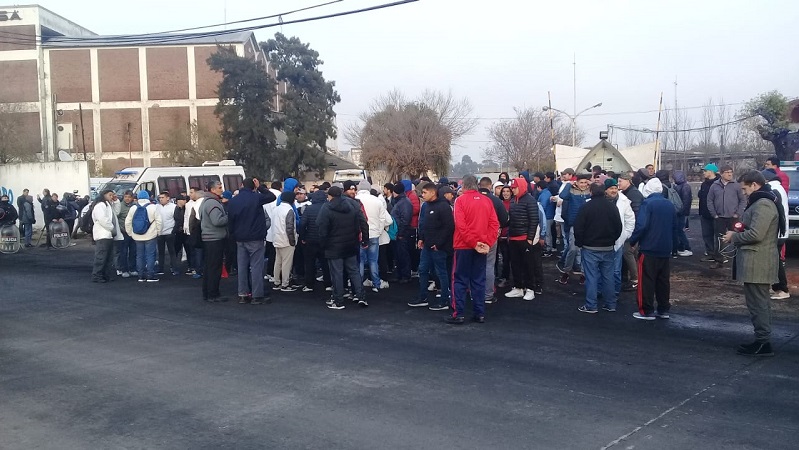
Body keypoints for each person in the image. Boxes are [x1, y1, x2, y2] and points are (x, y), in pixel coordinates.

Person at [722, 170, 781, 356]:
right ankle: (762, 340)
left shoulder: (763, 204)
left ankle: (763, 342)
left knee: (758, 304)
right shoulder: (763, 202)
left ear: (755, 185)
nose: (744, 193)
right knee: (758, 303)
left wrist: (734, 236)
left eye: (745, 189)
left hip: (758, 262)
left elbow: (756, 234)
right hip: (757, 261)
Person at [446, 175, 499, 324]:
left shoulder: (460, 201)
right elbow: (494, 224)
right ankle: (479, 313)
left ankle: (459, 313)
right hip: (481, 246)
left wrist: (474, 242)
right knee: (478, 280)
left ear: (464, 185)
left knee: (459, 279)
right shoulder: (486, 201)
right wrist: (486, 242)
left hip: (464, 246)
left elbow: (461, 226)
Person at [317, 186, 369, 310]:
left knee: (337, 273)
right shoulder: (353, 205)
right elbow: (363, 223)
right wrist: (364, 239)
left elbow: (321, 227)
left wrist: (323, 245)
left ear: (329, 196)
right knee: (354, 271)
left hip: (333, 246)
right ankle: (361, 296)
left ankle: (338, 300)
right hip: (350, 243)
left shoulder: (326, 208)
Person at [629, 178, 674, 320]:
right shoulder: (669, 204)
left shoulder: (647, 204)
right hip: (665, 247)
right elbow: (675, 226)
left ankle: (646, 310)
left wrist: (633, 240)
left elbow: (641, 225)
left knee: (646, 280)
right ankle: (663, 308)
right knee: (663, 280)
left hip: (649, 247)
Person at [573, 183, 622, 313]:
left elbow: (578, 227)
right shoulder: (612, 207)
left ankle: (591, 305)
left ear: (591, 192)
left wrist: (580, 242)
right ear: (604, 192)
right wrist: (613, 240)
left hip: (590, 247)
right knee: (608, 276)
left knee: (591, 277)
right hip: (608, 247)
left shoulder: (586, 207)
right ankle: (610, 304)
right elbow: (619, 227)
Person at [227, 178, 276, 304]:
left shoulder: (233, 201)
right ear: (253, 186)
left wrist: (233, 235)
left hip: (239, 238)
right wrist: (260, 187)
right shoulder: (256, 198)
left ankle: (243, 293)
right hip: (255, 237)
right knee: (256, 267)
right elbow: (271, 196)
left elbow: (230, 221)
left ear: (241, 185)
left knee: (242, 267)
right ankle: (257, 295)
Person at [408, 182, 454, 310]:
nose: (422, 195)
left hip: (439, 247)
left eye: (424, 192)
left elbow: (449, 227)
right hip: (427, 245)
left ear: (433, 192)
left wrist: (438, 243)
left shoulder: (443, 206)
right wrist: (421, 238)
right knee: (422, 270)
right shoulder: (426, 206)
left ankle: (444, 300)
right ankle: (423, 297)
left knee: (441, 273)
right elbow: (424, 224)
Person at [505, 177, 540, 301]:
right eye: (511, 188)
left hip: (524, 238)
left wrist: (530, 238)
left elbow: (534, 220)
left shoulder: (530, 200)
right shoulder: (514, 201)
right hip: (514, 238)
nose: (512, 190)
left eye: (514, 188)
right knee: (515, 264)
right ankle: (518, 287)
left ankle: (530, 289)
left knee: (528, 265)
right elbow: (511, 219)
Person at [707, 165, 746, 269]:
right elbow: (709, 200)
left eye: (731, 172)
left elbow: (743, 200)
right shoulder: (714, 185)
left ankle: (739, 260)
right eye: (727, 172)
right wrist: (714, 214)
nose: (729, 174)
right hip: (719, 217)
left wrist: (738, 213)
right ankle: (718, 260)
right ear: (721, 173)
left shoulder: (736, 185)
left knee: (738, 237)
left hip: (734, 217)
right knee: (720, 239)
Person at [356, 180, 392, 293]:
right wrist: (379, 230)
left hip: (360, 234)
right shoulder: (377, 201)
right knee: (373, 260)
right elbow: (383, 218)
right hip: (374, 234)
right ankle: (376, 284)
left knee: (360, 261)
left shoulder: (355, 200)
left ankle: (358, 283)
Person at [478, 177, 509, 304]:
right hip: (491, 236)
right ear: (490, 186)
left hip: (474, 236)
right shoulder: (495, 200)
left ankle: (475, 292)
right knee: (489, 265)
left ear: (479, 185)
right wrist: (499, 227)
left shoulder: (471, 199)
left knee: (476, 265)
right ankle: (488, 294)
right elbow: (505, 219)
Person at [557, 173, 592, 284]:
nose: (583, 185)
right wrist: (569, 184)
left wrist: (592, 184)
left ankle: (583, 273)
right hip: (574, 224)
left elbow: (602, 192)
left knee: (584, 250)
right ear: (576, 182)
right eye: (581, 182)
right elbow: (562, 196)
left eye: (585, 182)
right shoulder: (571, 191)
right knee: (573, 249)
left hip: (587, 225)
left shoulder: (590, 191)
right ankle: (566, 271)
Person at [199, 181, 229, 302]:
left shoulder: (205, 202)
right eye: (219, 188)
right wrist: (229, 216)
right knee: (214, 267)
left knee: (209, 267)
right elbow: (217, 221)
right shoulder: (213, 203)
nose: (222, 189)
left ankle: (207, 293)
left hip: (208, 238)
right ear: (212, 190)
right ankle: (213, 294)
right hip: (214, 239)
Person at [762, 169, 790, 300]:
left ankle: (782, 288)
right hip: (781, 231)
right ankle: (777, 287)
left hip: (777, 232)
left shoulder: (773, 189)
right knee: (775, 260)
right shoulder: (778, 187)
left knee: (775, 262)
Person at [124, 191, 161, 282]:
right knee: (150, 255)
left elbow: (127, 222)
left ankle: (141, 276)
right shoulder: (153, 207)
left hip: (137, 235)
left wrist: (130, 233)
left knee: (139, 255)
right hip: (150, 235)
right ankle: (150, 275)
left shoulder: (133, 207)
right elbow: (159, 221)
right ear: (148, 197)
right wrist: (158, 232)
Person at [300, 190, 332, 292]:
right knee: (326, 263)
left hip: (310, 240)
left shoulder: (308, 209)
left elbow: (302, 224)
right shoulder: (328, 208)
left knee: (310, 263)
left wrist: (303, 237)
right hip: (325, 240)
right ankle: (328, 284)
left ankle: (309, 285)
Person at [91, 190, 123, 283]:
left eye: (112, 195)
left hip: (108, 235)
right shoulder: (100, 205)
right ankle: (97, 275)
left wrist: (116, 201)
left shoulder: (108, 205)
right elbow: (102, 219)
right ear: (104, 195)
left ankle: (105, 275)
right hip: (103, 234)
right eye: (110, 195)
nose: (111, 196)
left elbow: (116, 212)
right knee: (101, 256)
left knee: (108, 257)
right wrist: (111, 227)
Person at [271, 190, 299, 292]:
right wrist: (293, 241)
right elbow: (290, 227)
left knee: (277, 262)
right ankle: (285, 284)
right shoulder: (289, 210)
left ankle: (276, 282)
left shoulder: (276, 209)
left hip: (276, 239)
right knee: (287, 263)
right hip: (286, 240)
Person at [390, 182, 413, 283]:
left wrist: (401, 233)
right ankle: (399, 274)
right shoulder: (400, 201)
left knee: (403, 254)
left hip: (401, 233)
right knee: (398, 255)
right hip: (397, 232)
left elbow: (405, 219)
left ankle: (405, 275)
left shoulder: (404, 202)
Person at [697, 164, 720, 261]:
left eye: (705, 171)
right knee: (707, 235)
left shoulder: (719, 184)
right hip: (705, 213)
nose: (703, 173)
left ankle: (720, 255)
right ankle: (710, 253)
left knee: (719, 235)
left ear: (711, 171)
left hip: (716, 214)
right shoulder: (704, 184)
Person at [156, 191, 179, 276]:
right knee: (160, 252)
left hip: (170, 233)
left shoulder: (173, 207)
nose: (160, 199)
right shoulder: (156, 207)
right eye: (160, 198)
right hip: (160, 233)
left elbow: (178, 220)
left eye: (162, 197)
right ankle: (160, 269)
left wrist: (173, 231)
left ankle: (174, 268)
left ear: (168, 198)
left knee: (172, 252)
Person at [116, 191, 138, 276]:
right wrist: (121, 229)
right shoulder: (120, 206)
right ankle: (124, 270)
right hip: (123, 232)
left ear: (132, 198)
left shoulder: (136, 206)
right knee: (123, 252)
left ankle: (132, 269)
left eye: (129, 197)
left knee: (133, 251)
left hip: (133, 232)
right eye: (125, 197)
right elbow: (116, 219)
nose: (127, 199)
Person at [672, 170, 693, 257]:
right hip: (681, 212)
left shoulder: (684, 187)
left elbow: (686, 201)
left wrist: (682, 211)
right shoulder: (681, 186)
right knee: (678, 230)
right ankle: (682, 247)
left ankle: (685, 247)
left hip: (681, 212)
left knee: (679, 230)